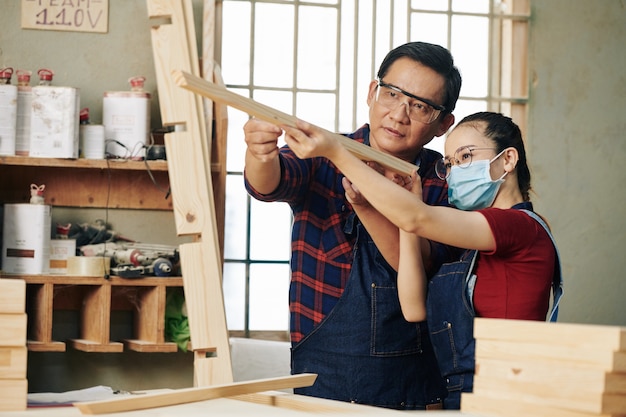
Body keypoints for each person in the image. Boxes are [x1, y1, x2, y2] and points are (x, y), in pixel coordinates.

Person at [281, 111, 564, 409]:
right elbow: (413, 307)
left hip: (504, 397)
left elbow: (418, 218)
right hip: (462, 396)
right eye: (451, 164)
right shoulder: (475, 245)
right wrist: (368, 207)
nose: (455, 171)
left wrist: (336, 152)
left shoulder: (521, 227)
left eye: (466, 156)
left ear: (508, 160)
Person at [243, 41, 462, 409]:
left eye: (420, 106)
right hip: (323, 369)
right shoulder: (322, 153)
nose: (399, 114)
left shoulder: (444, 181)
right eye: (392, 94)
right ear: (372, 92)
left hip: (410, 381)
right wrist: (259, 152)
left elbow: (422, 265)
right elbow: (269, 183)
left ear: (443, 124)